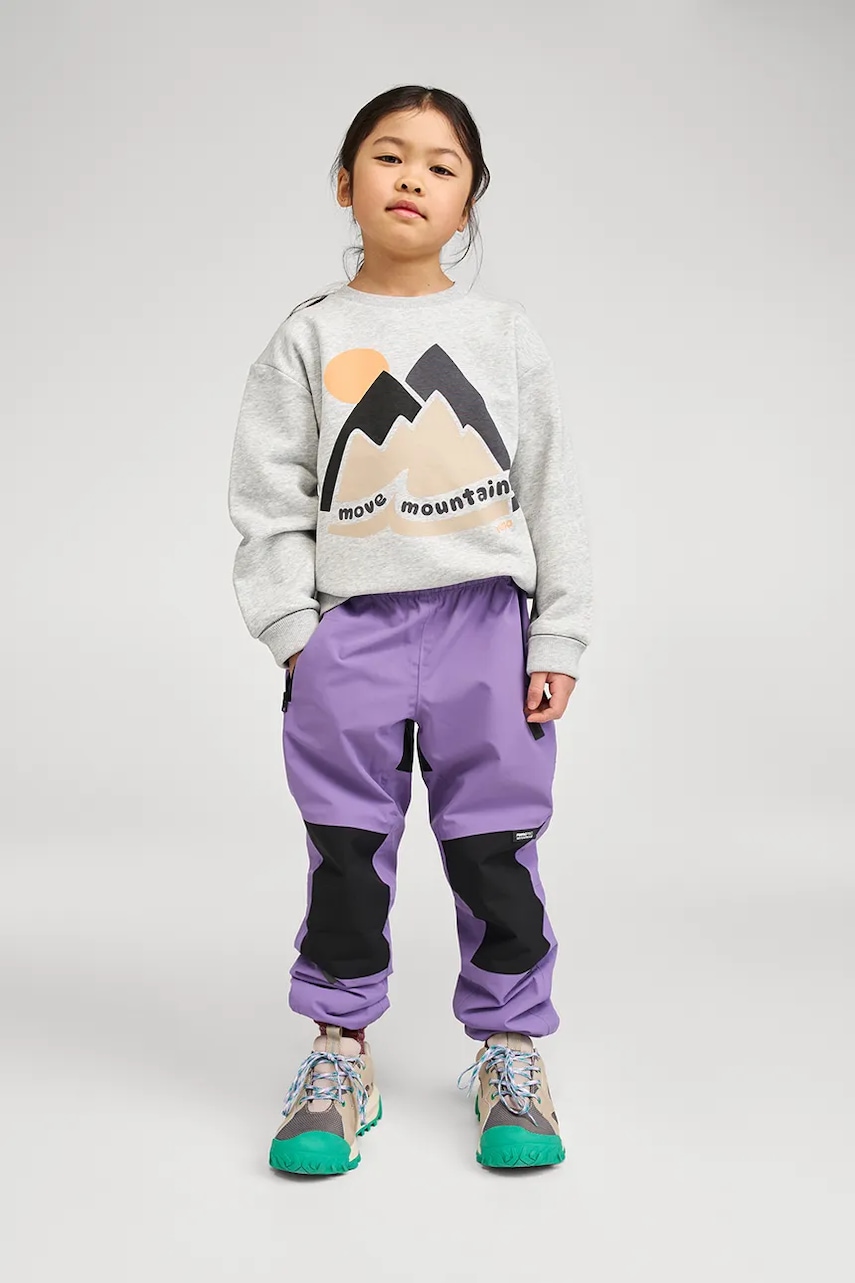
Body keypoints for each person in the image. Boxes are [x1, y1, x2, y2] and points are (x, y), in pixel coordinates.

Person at [227, 83, 594, 1175]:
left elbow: (552, 488)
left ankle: (509, 1048)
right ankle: (339, 1049)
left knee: (496, 850)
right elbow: (268, 495)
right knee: (347, 852)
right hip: (353, 634)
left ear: (469, 199)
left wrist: (557, 636)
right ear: (345, 184)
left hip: (487, 626)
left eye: (442, 165)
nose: (412, 179)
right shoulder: (310, 335)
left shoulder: (503, 334)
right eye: (389, 157)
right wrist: (296, 631)